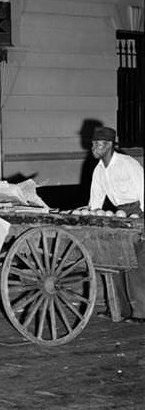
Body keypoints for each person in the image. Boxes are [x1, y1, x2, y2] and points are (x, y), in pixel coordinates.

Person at [88, 126, 144, 323]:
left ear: (109, 144)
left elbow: (143, 189)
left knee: (135, 264)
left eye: (98, 144)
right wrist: (92, 217)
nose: (93, 147)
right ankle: (119, 309)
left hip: (137, 213)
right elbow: (95, 201)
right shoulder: (99, 170)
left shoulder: (128, 164)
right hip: (117, 215)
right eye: (93, 144)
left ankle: (141, 312)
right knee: (112, 260)